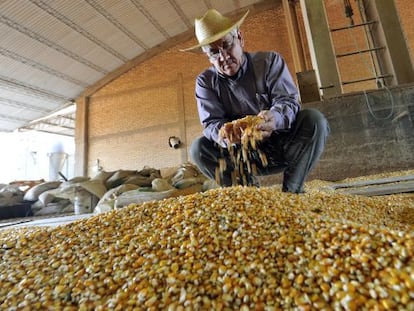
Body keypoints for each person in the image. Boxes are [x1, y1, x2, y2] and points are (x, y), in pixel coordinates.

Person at [182, 9, 329, 193]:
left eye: (227, 45)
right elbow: (211, 124)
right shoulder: (205, 82)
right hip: (241, 157)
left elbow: (288, 101)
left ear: (240, 39)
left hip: (281, 147)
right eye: (214, 53)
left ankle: (293, 192)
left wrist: (274, 119)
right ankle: (248, 195)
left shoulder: (269, 62)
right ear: (208, 57)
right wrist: (226, 134)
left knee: (314, 120)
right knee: (199, 148)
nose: (224, 57)